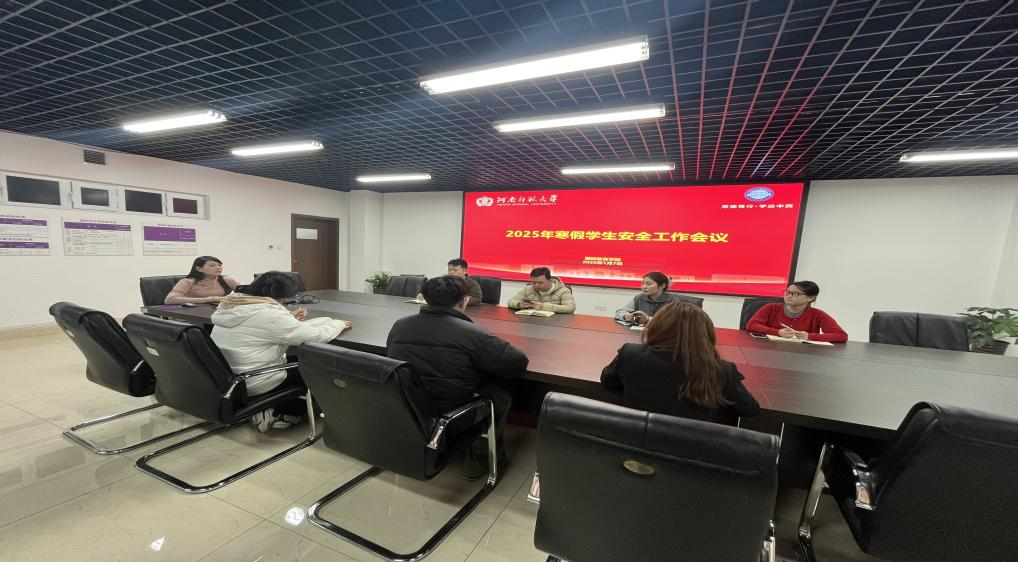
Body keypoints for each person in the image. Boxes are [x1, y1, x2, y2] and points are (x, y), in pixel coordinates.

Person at [387, 275, 529, 479]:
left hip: (409, 407)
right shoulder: (473, 333)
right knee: (500, 395)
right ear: (464, 301)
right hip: (452, 415)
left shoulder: (400, 325)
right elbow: (517, 363)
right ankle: (480, 459)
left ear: (425, 298)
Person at [211, 271, 352, 432]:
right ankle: (276, 412)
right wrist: (339, 324)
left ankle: (272, 408)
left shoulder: (234, 304)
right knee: (322, 369)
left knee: (302, 356)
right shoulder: (271, 315)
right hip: (256, 379)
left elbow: (261, 325)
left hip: (228, 378)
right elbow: (316, 336)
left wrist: (288, 318)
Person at [601, 302, 759, 426]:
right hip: (690, 451)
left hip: (632, 442)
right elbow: (750, 409)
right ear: (705, 335)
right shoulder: (720, 369)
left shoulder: (631, 354)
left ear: (657, 327)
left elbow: (608, 381)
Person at [746, 280, 848, 343]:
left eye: (795, 294)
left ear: (811, 298)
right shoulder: (771, 308)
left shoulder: (817, 314)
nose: (788, 296)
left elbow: (841, 335)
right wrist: (777, 332)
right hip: (769, 351)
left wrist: (809, 336)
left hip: (803, 355)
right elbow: (752, 325)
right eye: (787, 292)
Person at [615, 271, 685, 325]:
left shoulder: (673, 301)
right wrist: (626, 316)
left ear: (662, 286)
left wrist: (648, 318)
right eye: (643, 283)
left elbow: (674, 322)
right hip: (640, 332)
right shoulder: (639, 297)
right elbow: (619, 312)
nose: (644, 287)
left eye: (649, 284)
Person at [164, 256, 240, 304]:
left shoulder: (228, 280)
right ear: (199, 269)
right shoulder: (187, 281)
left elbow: (246, 294)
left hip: (219, 313)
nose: (218, 268)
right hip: (191, 314)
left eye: (219, 265)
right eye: (212, 265)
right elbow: (170, 300)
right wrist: (206, 300)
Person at [416, 258, 483, 306]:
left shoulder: (472, 284)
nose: (451, 272)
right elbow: (431, 291)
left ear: (465, 271)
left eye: (455, 270)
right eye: (449, 270)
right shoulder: (442, 281)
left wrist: (455, 300)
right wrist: (423, 294)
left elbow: (477, 298)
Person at [507, 267, 576, 313]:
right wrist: (519, 304)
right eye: (533, 282)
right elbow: (510, 302)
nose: (536, 285)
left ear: (549, 280)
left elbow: (570, 308)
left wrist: (543, 307)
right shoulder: (528, 289)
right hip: (531, 323)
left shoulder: (563, 291)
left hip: (555, 324)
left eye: (540, 283)